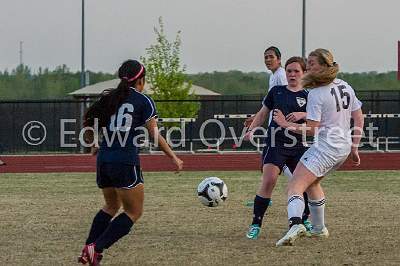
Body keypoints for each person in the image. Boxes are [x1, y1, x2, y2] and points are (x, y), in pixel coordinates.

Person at [78, 60, 183, 265]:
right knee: (134, 212)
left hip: (104, 161)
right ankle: (96, 247)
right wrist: (173, 156)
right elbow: (154, 134)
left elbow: (88, 125)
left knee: (110, 206)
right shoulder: (143, 101)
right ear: (141, 80)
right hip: (124, 162)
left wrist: (93, 144)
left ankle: (88, 250)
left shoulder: (108, 98)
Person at [273, 49, 364, 246]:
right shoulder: (345, 86)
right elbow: (358, 117)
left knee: (295, 186)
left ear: (323, 66)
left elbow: (312, 130)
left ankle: (295, 223)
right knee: (312, 184)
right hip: (342, 148)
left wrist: (284, 124)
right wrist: (354, 147)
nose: (308, 67)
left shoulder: (316, 94)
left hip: (325, 149)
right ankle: (319, 229)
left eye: (312, 63)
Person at [243, 56, 311, 240]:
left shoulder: (309, 96)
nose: (292, 74)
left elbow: (316, 122)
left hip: (298, 145)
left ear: (304, 73)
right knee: (269, 180)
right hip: (276, 144)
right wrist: (251, 130)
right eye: (289, 71)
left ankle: (304, 220)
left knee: (304, 184)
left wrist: (303, 113)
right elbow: (263, 113)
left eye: (296, 71)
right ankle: (256, 224)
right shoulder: (276, 91)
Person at [245, 46, 293, 179]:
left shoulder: (281, 75)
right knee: (268, 163)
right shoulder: (273, 76)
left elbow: (287, 97)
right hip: (275, 126)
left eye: (271, 57)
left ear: (279, 59)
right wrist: (255, 118)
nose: (268, 59)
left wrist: (284, 124)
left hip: (280, 128)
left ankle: (300, 185)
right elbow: (269, 104)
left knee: (273, 162)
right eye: (265, 57)